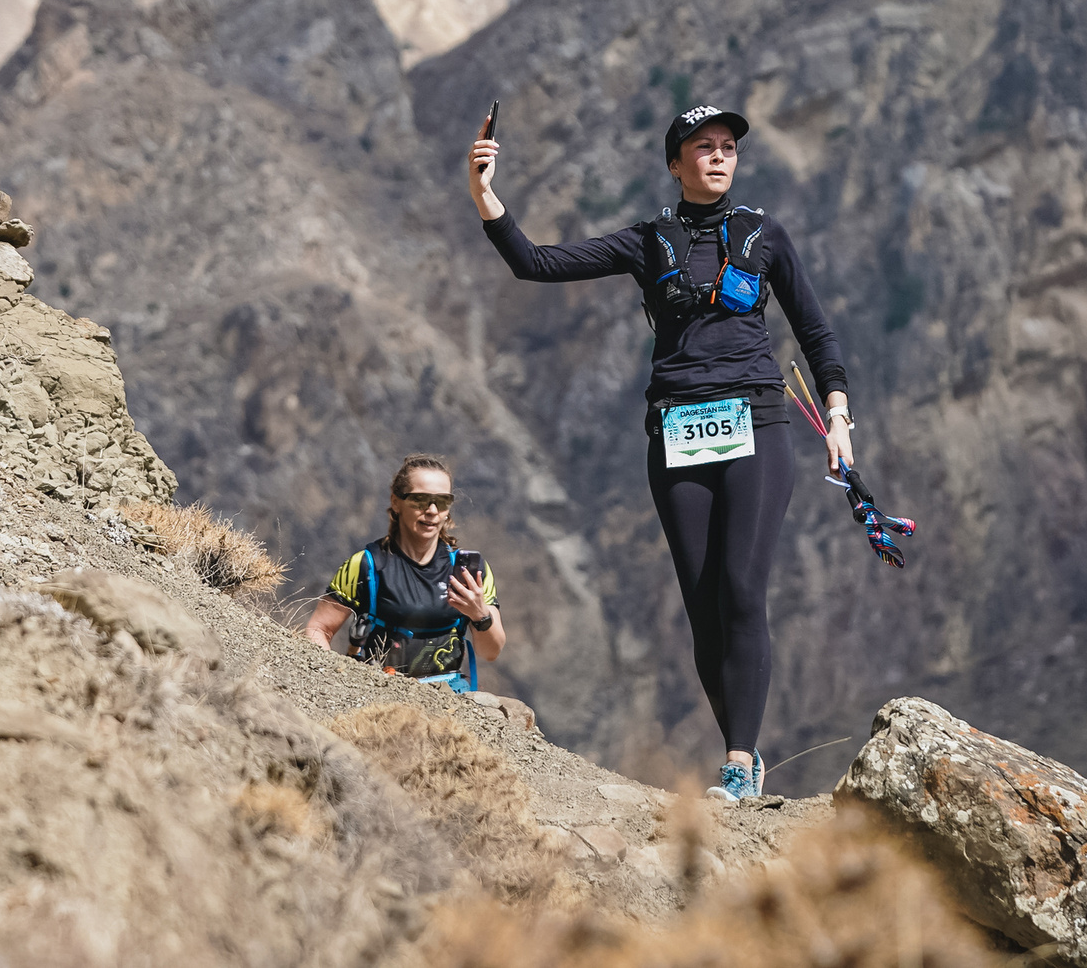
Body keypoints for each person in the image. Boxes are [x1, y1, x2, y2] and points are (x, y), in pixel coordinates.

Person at [468, 104, 853, 801]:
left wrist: (838, 419)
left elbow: (817, 334)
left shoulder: (766, 236)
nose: (717, 155)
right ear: (676, 163)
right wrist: (487, 195)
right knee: (704, 603)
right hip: (677, 430)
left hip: (757, 422)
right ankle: (743, 746)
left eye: (728, 146)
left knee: (741, 586)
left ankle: (737, 760)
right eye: (702, 146)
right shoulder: (650, 242)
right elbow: (536, 263)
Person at [302, 454, 505, 689]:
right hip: (380, 693)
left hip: (450, 698)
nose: (431, 510)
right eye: (420, 500)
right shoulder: (366, 564)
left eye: (442, 502)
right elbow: (319, 629)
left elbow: (491, 652)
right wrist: (333, 683)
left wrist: (480, 616)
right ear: (396, 502)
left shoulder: (469, 571)